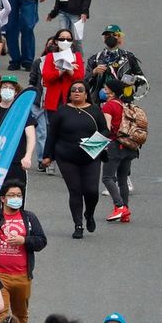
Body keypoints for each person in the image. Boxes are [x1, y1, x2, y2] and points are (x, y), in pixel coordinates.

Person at [41, 80, 108, 238]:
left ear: (86, 94)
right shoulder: (62, 111)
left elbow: (105, 129)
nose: (77, 92)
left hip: (91, 156)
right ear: (69, 94)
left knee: (91, 191)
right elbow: (52, 134)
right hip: (67, 156)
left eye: (80, 90)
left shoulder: (94, 110)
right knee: (75, 190)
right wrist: (47, 155)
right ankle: (78, 225)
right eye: (73, 90)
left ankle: (89, 214)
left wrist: (94, 143)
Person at [0, 180, 46, 323]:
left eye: (19, 195)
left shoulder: (29, 218)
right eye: (11, 195)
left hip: (22, 276)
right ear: (2, 198)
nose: (16, 198)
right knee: (0, 311)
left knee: (20, 314)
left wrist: (24, 240)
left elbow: (41, 241)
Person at [100, 80, 139, 222]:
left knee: (107, 178)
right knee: (123, 179)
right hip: (129, 146)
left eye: (105, 88)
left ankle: (119, 206)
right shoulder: (126, 105)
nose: (103, 90)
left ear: (111, 91)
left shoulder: (109, 106)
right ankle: (125, 212)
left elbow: (107, 129)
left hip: (116, 146)